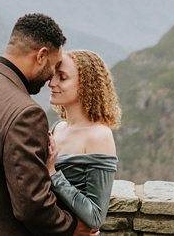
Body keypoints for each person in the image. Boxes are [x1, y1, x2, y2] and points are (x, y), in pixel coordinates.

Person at [0, 13, 97, 236]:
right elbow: (31, 204)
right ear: (41, 56)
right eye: (53, 68)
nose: (50, 79)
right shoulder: (26, 113)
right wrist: (71, 227)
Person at [46, 50, 121, 232]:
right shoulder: (57, 128)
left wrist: (52, 173)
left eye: (62, 78)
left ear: (86, 86)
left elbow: (95, 217)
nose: (51, 83)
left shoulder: (98, 136)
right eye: (53, 75)